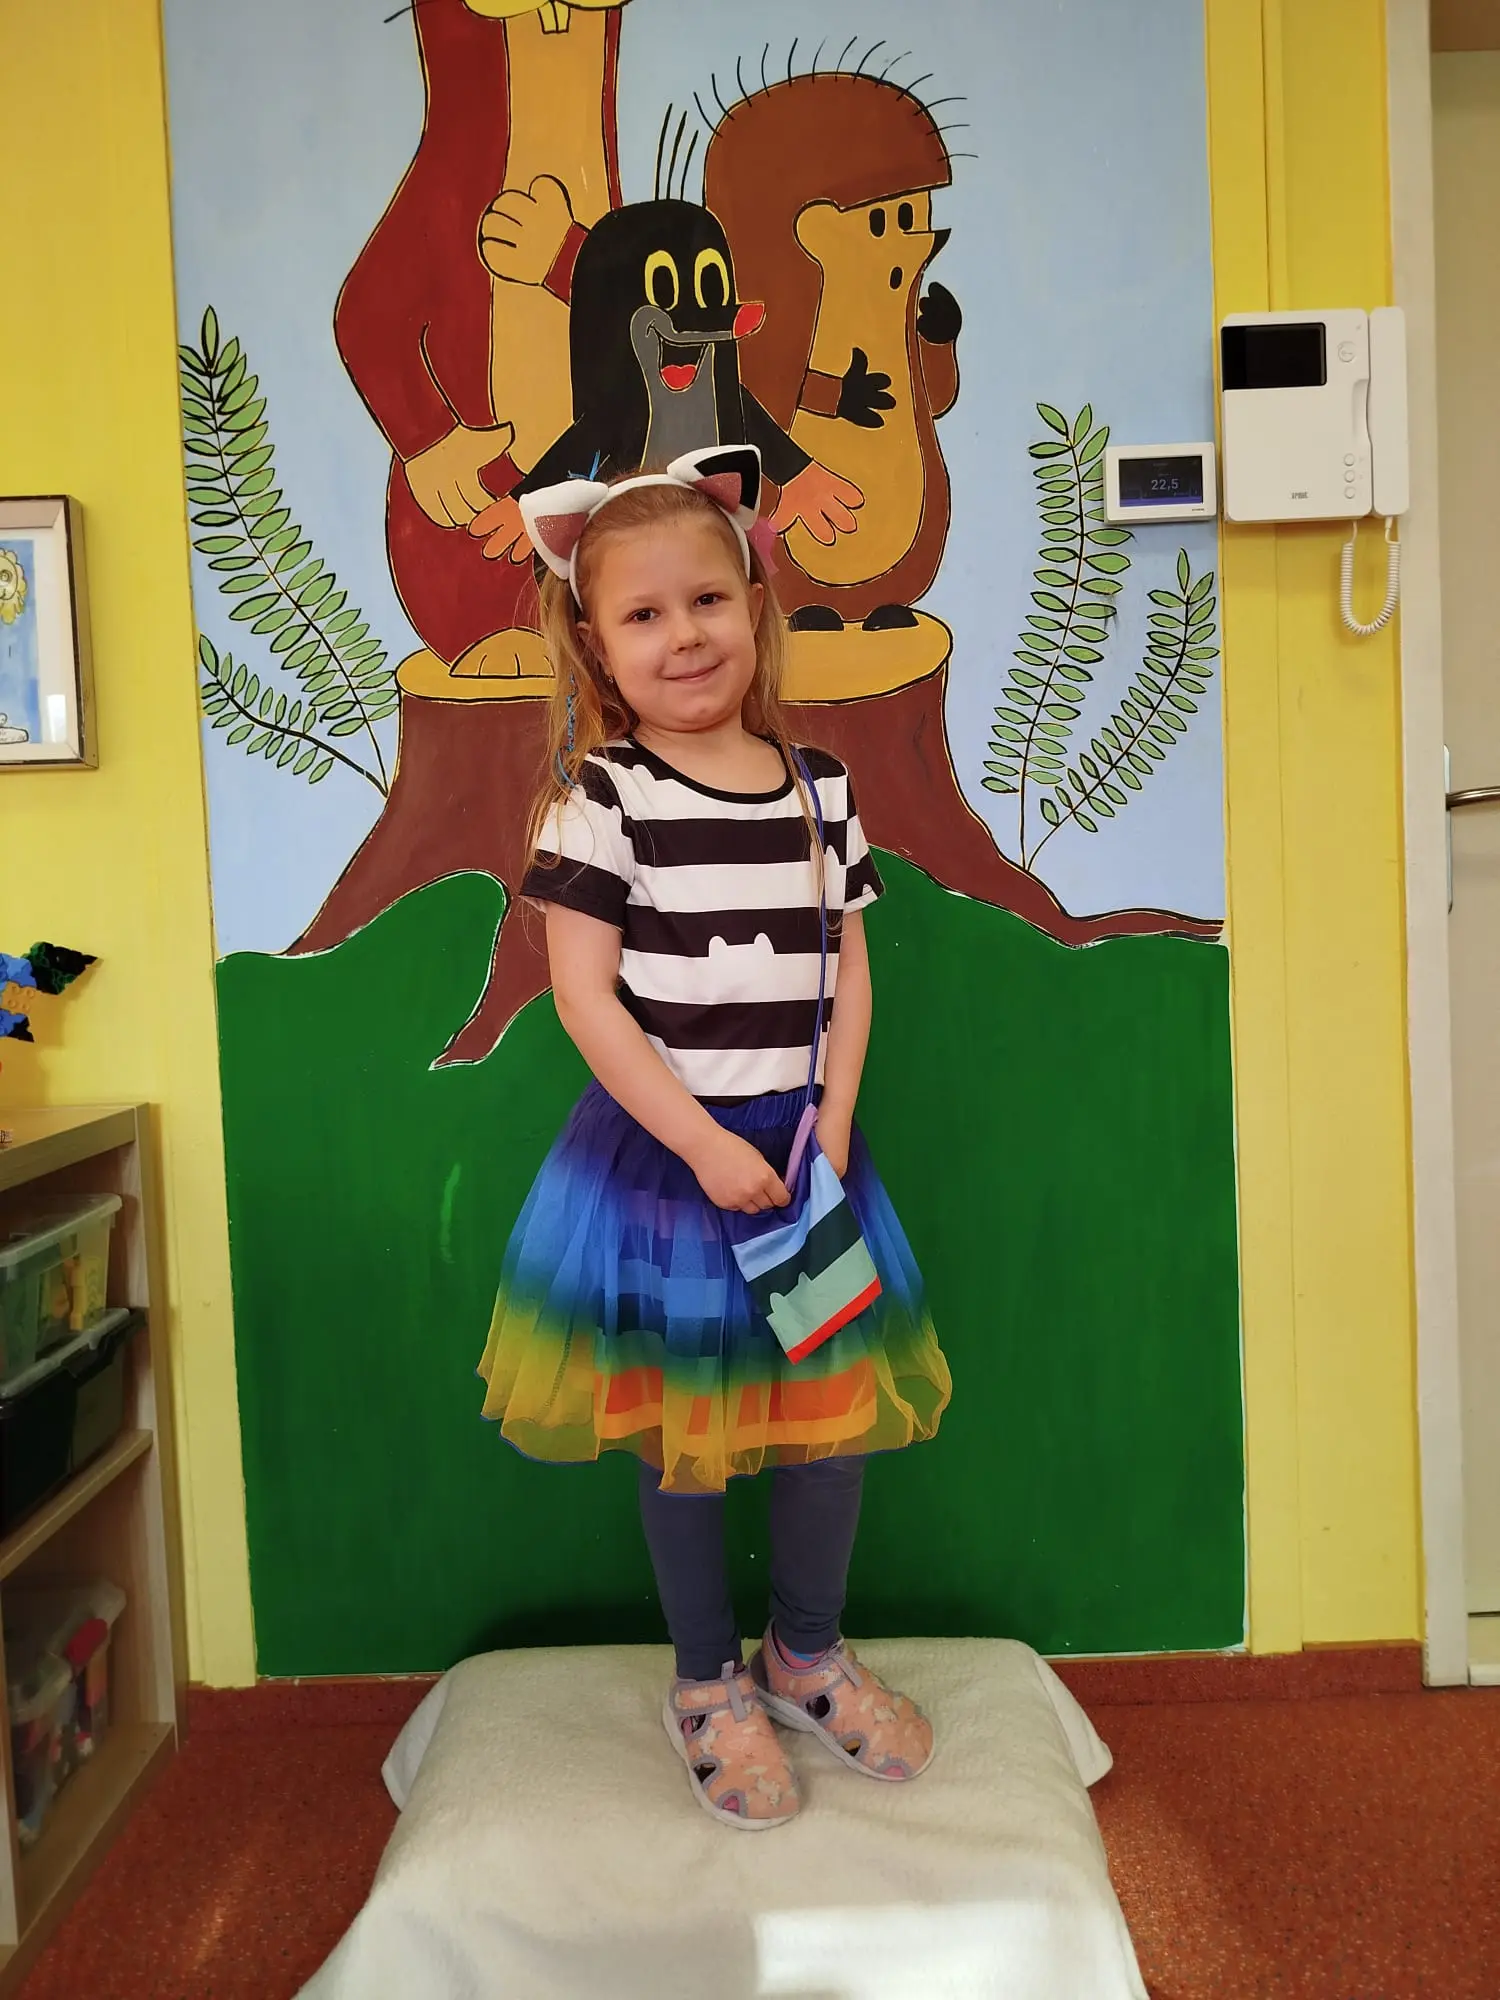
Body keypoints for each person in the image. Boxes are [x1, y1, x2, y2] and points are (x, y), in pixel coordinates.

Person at [476, 446, 951, 1830]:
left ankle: (804, 1654)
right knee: (681, 1440)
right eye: (643, 614)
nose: (683, 634)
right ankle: (705, 1683)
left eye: (707, 601)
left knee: (829, 1429)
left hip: (805, 1165)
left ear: (754, 608)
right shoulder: (603, 799)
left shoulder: (817, 784)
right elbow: (584, 999)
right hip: (667, 1176)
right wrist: (699, 1145)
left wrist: (833, 1120)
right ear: (596, 644)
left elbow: (852, 969)